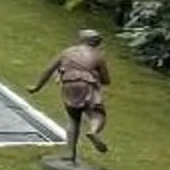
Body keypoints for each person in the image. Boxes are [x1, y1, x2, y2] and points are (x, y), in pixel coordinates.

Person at [30, 29, 111, 161]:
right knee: (98, 114)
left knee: (73, 119)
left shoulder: (67, 52)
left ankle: (70, 153)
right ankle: (94, 131)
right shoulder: (97, 56)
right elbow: (106, 80)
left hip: (69, 85)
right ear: (96, 43)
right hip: (87, 85)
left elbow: (49, 69)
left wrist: (36, 87)